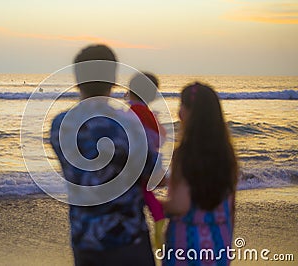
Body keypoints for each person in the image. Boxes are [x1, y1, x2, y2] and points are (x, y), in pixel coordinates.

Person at [50, 44, 157, 266]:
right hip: (128, 239)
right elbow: (154, 173)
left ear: (77, 80)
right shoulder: (129, 124)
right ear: (113, 80)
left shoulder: (60, 125)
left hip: (84, 238)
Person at [161, 82, 238, 265]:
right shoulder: (226, 153)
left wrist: (148, 199)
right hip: (219, 240)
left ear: (186, 113)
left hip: (187, 244)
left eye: (181, 106)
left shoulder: (185, 153)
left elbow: (180, 205)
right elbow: (231, 206)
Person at [127, 72, 167, 250]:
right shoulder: (146, 112)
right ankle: (158, 220)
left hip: (142, 159)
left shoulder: (136, 111)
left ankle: (158, 221)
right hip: (150, 158)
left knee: (143, 191)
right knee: (146, 192)